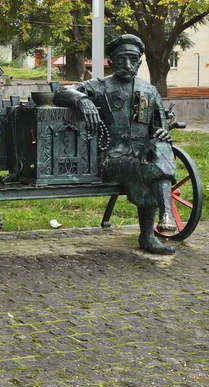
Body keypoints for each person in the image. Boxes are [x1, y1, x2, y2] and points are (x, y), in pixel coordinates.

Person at [53, 34, 177, 255]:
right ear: (111, 63)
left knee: (161, 148)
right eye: (121, 60)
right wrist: (82, 100)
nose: (127, 65)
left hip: (142, 156)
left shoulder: (149, 91)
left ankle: (159, 223)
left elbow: (161, 125)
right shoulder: (100, 86)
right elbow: (61, 91)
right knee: (147, 168)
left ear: (139, 62)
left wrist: (163, 132)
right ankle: (150, 233)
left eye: (133, 59)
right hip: (110, 159)